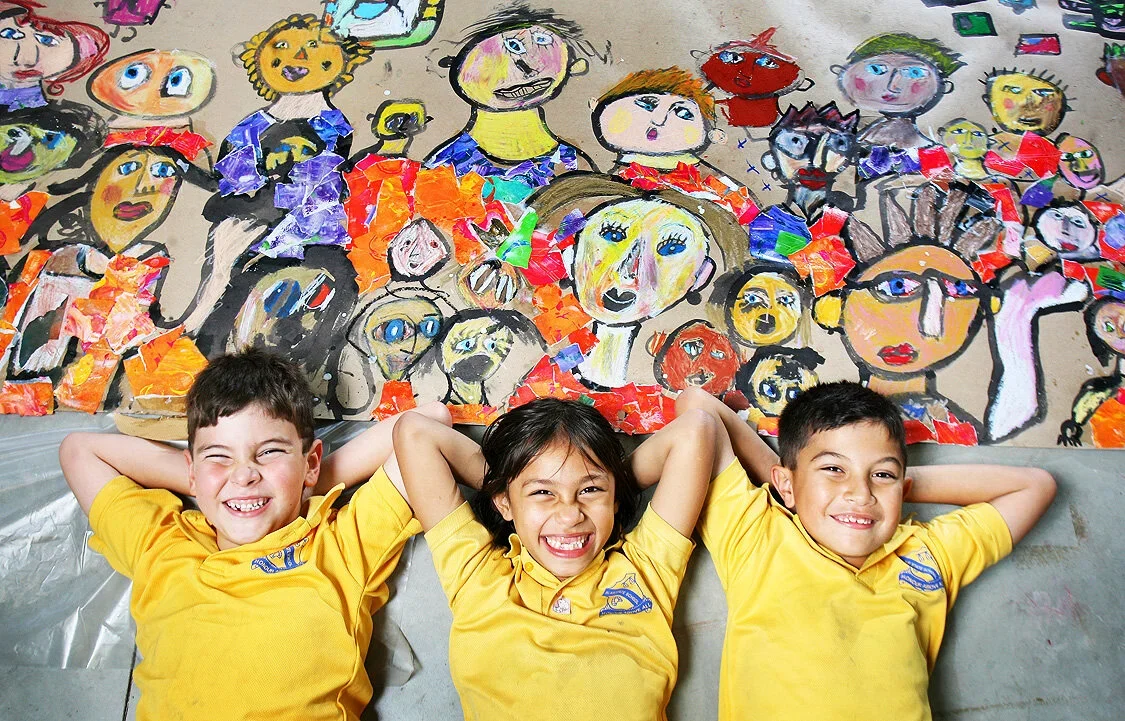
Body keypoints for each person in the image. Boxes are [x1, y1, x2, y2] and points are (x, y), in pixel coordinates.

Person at [57, 348, 450, 721]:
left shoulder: (340, 545)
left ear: (311, 462)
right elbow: (79, 451)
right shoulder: (162, 546)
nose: (244, 474)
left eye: (269, 452)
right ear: (192, 470)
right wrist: (213, 484)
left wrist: (300, 483)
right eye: (218, 456)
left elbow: (425, 422)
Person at [677, 381, 1056, 721]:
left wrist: (898, 485)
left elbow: (1034, 486)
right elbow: (697, 405)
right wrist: (791, 487)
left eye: (882, 474)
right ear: (786, 484)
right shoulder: (757, 534)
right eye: (833, 469)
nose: (860, 494)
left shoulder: (925, 553)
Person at [392, 393, 721, 721]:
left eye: (589, 490)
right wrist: (509, 484)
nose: (570, 515)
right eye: (543, 492)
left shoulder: (646, 570)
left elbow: (696, 429)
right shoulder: (479, 579)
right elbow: (416, 434)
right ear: (503, 503)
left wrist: (610, 485)